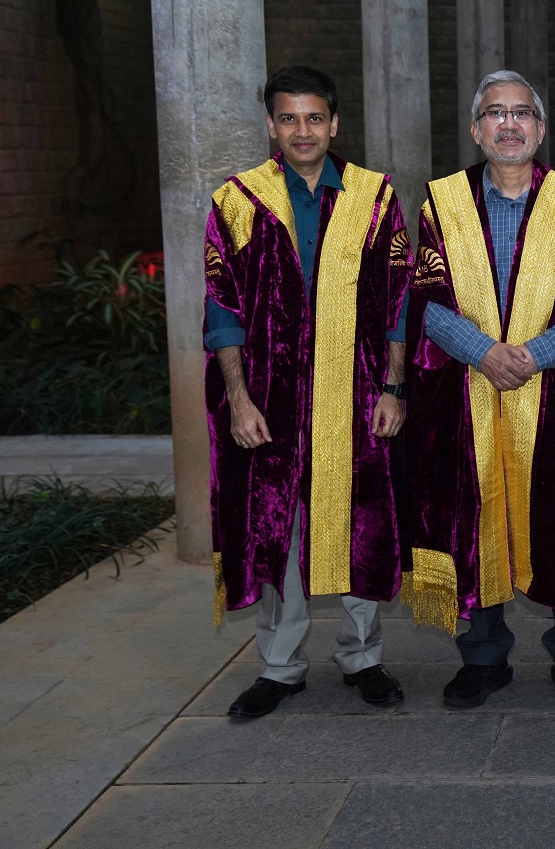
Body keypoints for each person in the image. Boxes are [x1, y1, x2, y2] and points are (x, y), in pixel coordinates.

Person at [400, 70, 555, 708]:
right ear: (476, 130)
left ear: (541, 129)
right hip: (465, 387)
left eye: (523, 113)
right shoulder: (442, 202)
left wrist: (534, 355)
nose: (510, 124)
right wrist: (484, 353)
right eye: (495, 113)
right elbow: (425, 297)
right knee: (476, 509)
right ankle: (484, 656)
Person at [203, 65, 412, 719]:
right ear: (271, 124)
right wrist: (238, 398)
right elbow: (221, 311)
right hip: (270, 395)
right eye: (288, 118)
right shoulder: (236, 201)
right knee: (275, 526)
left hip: (355, 392)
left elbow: (402, 302)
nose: (302, 130)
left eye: (314, 117)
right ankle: (280, 665)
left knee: (361, 520)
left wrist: (394, 386)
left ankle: (362, 656)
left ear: (334, 123)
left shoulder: (373, 198)